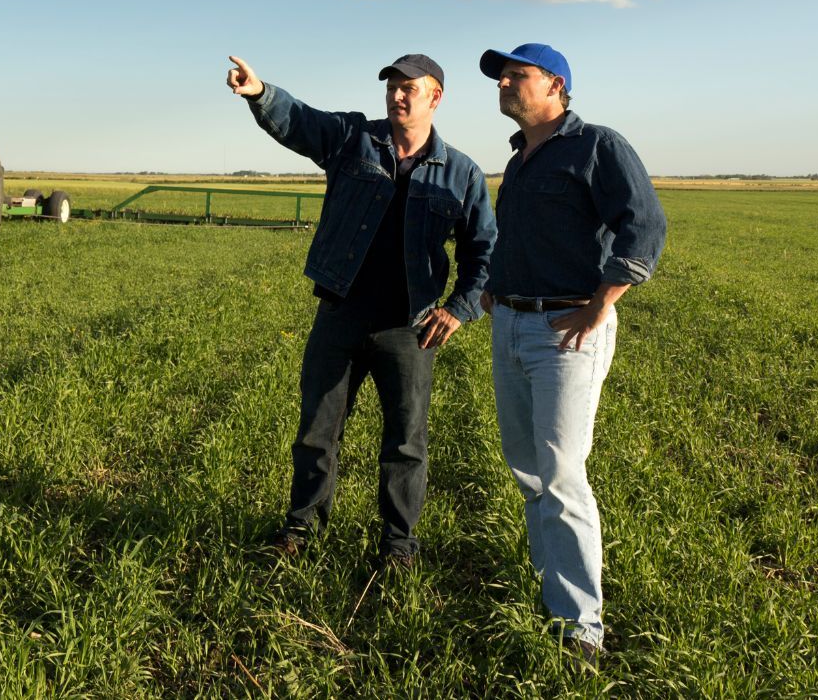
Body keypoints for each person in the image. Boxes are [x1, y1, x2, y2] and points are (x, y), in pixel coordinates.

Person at [226, 53, 495, 569]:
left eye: (408, 88)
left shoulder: (461, 173)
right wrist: (260, 93)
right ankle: (301, 529)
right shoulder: (354, 139)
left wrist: (459, 309)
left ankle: (398, 545)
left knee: (406, 442)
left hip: (410, 327)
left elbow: (484, 250)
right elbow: (301, 123)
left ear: (435, 97)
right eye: (391, 87)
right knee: (317, 431)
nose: (396, 95)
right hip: (341, 314)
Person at [476, 43, 667, 663]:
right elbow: (515, 235)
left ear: (556, 85)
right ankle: (550, 585)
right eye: (501, 77)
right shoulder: (520, 159)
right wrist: (495, 288)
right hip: (512, 323)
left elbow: (644, 225)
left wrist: (601, 302)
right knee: (527, 467)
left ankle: (580, 626)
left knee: (561, 474)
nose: (504, 84)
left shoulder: (597, 145)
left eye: (517, 75)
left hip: (566, 330)